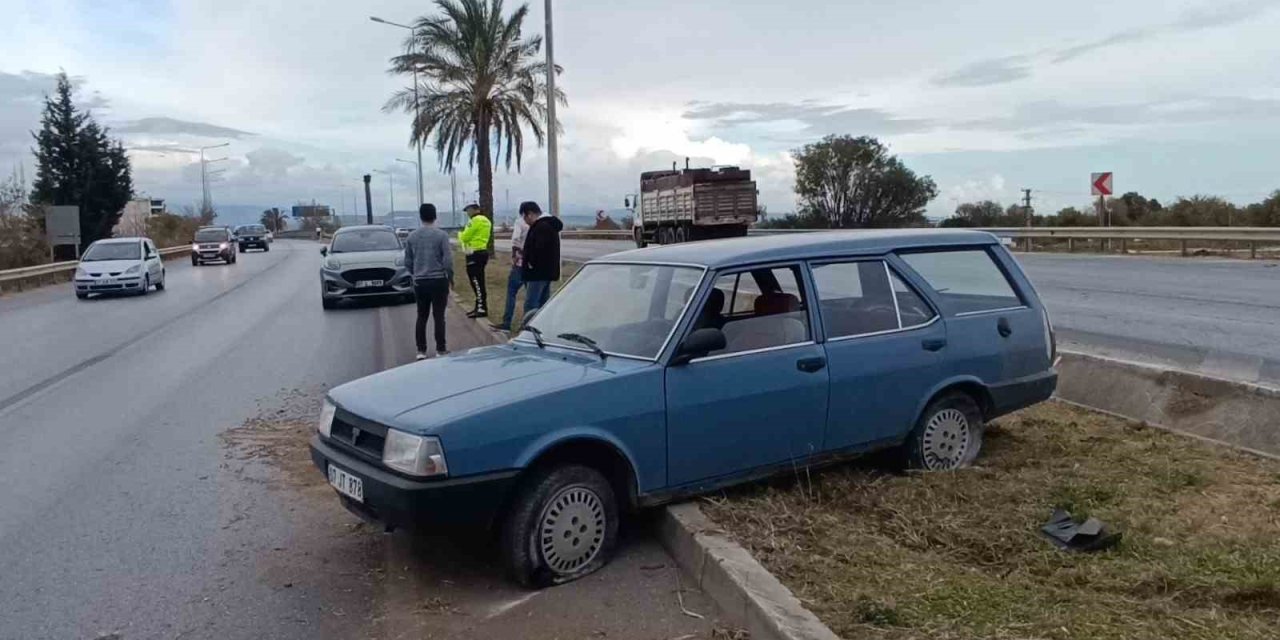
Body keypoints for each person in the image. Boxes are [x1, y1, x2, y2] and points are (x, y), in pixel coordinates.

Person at [403, 203, 453, 360]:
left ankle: (421, 351)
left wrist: (415, 274)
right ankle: (441, 349)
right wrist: (450, 277)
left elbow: (407, 261)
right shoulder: (442, 236)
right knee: (439, 316)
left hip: (420, 282)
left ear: (420, 216)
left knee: (421, 315)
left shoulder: (411, 237)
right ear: (435, 216)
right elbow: (448, 261)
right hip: (438, 280)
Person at [519, 201, 563, 317]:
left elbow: (539, 249)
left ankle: (529, 329)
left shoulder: (541, 227)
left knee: (531, 304)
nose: (524, 221)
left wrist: (530, 263)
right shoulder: (548, 225)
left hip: (537, 273)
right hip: (546, 272)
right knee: (543, 303)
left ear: (529, 214)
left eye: (524, 217)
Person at [494, 212, 529, 331]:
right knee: (531, 297)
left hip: (520, 264)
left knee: (511, 292)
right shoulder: (538, 223)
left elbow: (515, 239)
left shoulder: (520, 222)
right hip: (532, 266)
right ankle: (528, 325)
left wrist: (515, 255)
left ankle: (507, 322)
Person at [458, 203, 492, 318]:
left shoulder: (474, 221)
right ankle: (479, 306)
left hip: (474, 253)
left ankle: (481, 308)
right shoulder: (486, 221)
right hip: (482, 252)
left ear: (474, 210)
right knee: (479, 280)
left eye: (468, 210)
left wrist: (460, 234)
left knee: (476, 282)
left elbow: (465, 237)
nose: (467, 213)